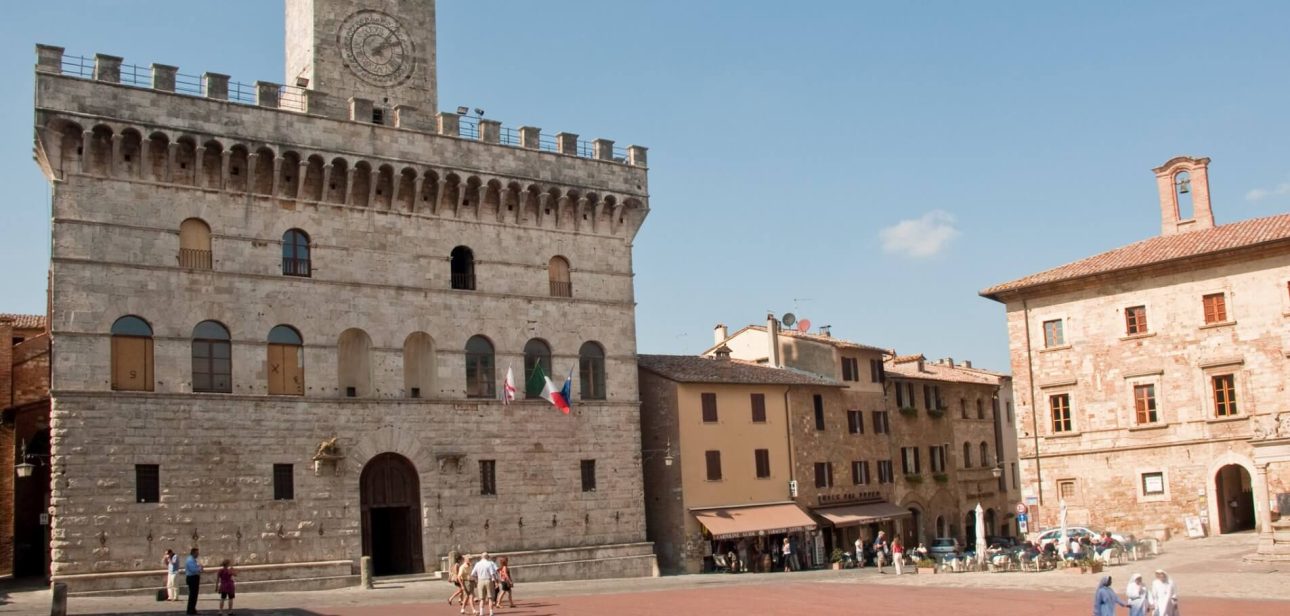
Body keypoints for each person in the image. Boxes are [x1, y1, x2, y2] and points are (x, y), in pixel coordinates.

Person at [471, 551, 500, 616]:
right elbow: (492, 574)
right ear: (488, 557)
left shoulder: (477, 564)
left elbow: (472, 574)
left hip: (480, 580)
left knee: (482, 599)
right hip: (488, 580)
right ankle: (491, 612)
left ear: (481, 557)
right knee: (490, 598)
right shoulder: (489, 563)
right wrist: (496, 582)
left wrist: (476, 579)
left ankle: (481, 612)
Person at [184, 547, 203, 615]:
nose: (198, 554)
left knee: (194, 595)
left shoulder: (193, 560)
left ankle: (192, 609)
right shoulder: (190, 560)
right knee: (192, 595)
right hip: (192, 578)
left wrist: (199, 568)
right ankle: (190, 610)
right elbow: (194, 570)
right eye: (197, 553)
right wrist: (200, 568)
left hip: (194, 578)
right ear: (193, 553)